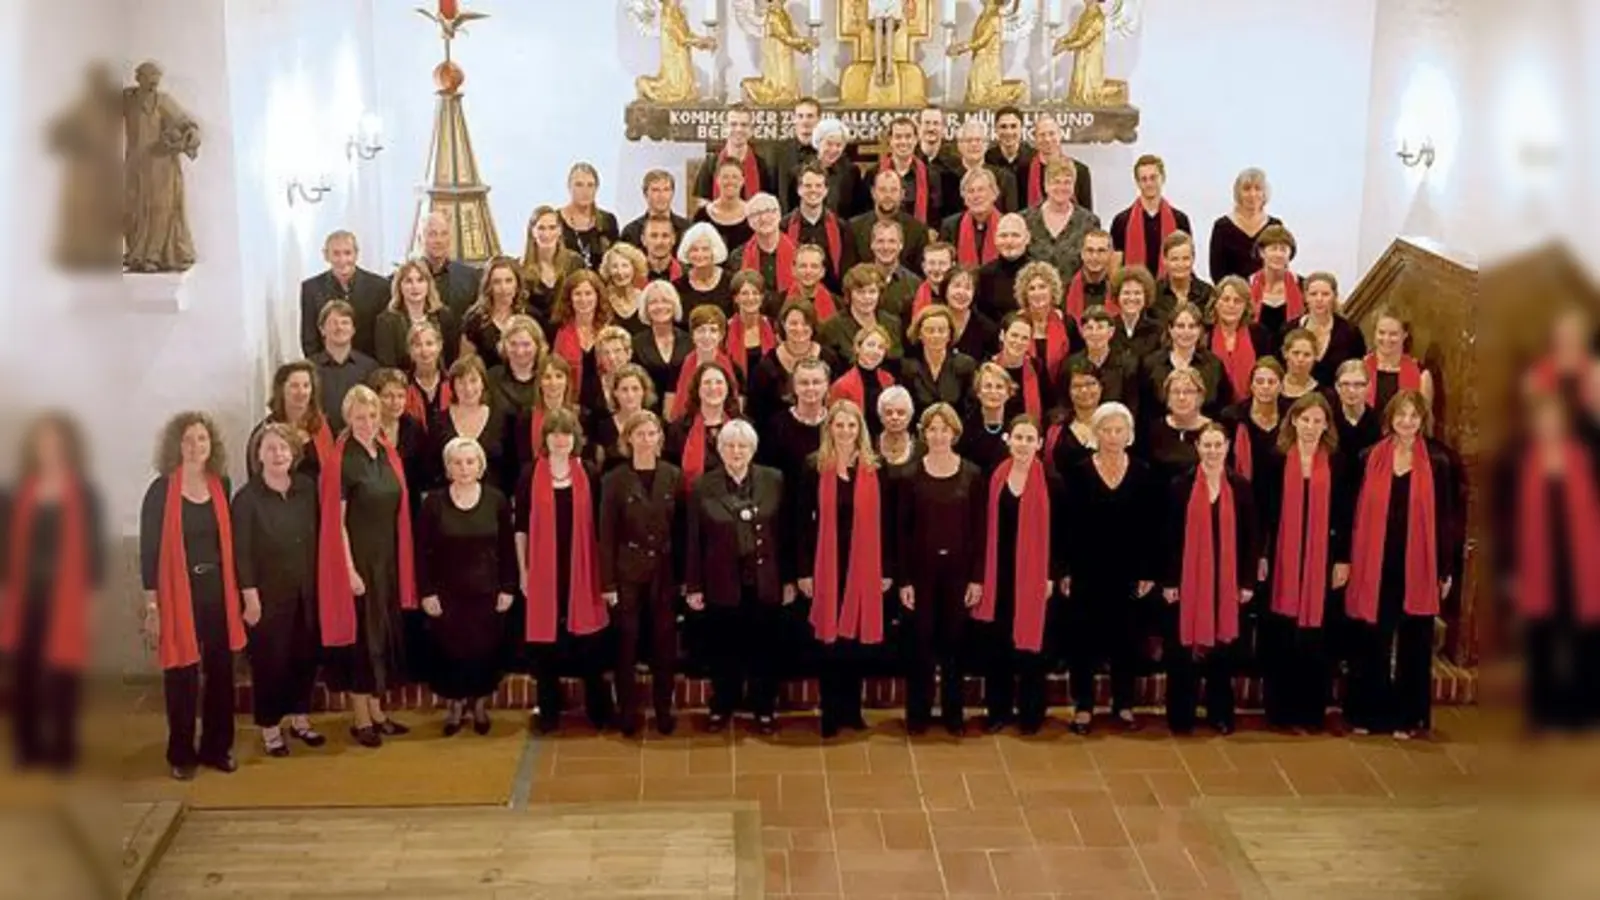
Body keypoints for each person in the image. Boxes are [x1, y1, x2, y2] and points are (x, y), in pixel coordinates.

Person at [1344, 391, 1457, 738]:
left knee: (1414, 641)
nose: (1407, 422)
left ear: (1423, 421)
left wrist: (1445, 568)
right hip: (1374, 561)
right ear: (1390, 418)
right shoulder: (1368, 457)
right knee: (1372, 638)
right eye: (1401, 415)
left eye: (1414, 416)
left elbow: (1448, 519)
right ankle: (1368, 714)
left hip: (1417, 563)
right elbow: (1351, 513)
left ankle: (1408, 717)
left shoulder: (1438, 462)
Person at [139, 412, 246, 779]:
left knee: (221, 672)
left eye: (202, 439)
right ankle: (181, 754)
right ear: (176, 445)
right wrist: (152, 605)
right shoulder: (160, 490)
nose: (195, 446)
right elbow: (150, 550)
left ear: (211, 445)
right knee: (181, 674)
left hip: (218, 592)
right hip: (177, 594)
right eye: (188, 439)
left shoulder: (221, 484)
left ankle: (218, 747)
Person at [2, 414, 105, 771]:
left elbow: (93, 552)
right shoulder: (16, 494)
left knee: (65, 673)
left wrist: (92, 602)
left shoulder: (85, 495)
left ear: (67, 446)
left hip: (69, 599)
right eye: (42, 441)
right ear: (33, 447)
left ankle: (63, 746)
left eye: (55, 441)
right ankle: (27, 746)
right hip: (25, 598)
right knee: (25, 672)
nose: (49, 448)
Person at [317, 386, 417, 747]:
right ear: (348, 418)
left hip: (387, 560)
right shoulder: (340, 460)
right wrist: (349, 570)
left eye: (373, 415)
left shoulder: (387, 452)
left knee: (381, 638)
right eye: (360, 416)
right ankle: (360, 719)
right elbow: (336, 522)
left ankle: (377, 713)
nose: (368, 422)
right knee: (362, 641)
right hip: (358, 561)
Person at [1497, 395, 1600, 730]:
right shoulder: (1520, 463)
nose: (1549, 426)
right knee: (1539, 637)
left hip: (1579, 563)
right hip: (1536, 564)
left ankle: (1579, 709)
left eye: (1555, 419)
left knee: (1581, 637)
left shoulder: (1584, 459)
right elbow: (1507, 521)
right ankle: (1542, 710)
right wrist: (1509, 570)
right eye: (1543, 419)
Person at [685, 420, 789, 732]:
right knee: (723, 648)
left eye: (742, 446)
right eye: (729, 446)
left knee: (765, 648)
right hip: (721, 580)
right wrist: (694, 585)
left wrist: (788, 580)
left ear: (753, 450)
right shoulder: (703, 486)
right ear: (720, 450)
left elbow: (784, 534)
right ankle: (723, 704)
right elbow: (694, 540)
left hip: (765, 579)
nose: (736, 452)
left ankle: (764, 707)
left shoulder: (774, 479)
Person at [1061, 402, 1158, 734]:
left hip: (1129, 570)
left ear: (1129, 434)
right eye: (1107, 430)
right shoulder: (1078, 472)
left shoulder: (1144, 472)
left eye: (1119, 430)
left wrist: (1148, 570)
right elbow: (1067, 526)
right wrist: (1066, 570)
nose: (1113, 436)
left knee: (1126, 638)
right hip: (1087, 569)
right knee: (1083, 640)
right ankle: (1084, 706)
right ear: (1096, 433)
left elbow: (1152, 527)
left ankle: (1124, 704)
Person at [796, 400, 890, 737]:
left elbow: (887, 524)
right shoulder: (814, 466)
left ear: (860, 429)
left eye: (852, 425)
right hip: (827, 562)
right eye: (839, 425)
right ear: (830, 428)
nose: (846, 431)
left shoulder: (876, 467)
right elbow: (801, 523)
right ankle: (831, 712)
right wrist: (803, 571)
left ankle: (852, 710)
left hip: (863, 563)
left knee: (855, 641)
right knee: (829, 641)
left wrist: (886, 570)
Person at [515, 409, 612, 733]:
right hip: (543, 569)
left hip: (582, 566)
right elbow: (520, 527)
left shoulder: (590, 473)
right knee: (546, 643)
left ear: (575, 438)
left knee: (589, 640)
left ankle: (598, 708)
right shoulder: (530, 474)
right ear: (545, 438)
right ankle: (549, 710)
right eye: (554, 433)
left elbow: (600, 527)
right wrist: (523, 570)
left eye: (566, 433)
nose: (560, 440)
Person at [1259, 393, 1351, 733]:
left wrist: (1343, 559)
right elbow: (1263, 512)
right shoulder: (1275, 458)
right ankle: (1280, 711)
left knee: (1316, 636)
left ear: (1327, 425)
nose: (1310, 427)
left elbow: (1346, 514)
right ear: (1293, 420)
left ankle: (1311, 711)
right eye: (1305, 419)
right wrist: (1262, 555)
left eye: (1317, 421)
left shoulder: (1338, 462)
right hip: (1282, 557)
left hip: (1322, 558)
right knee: (1282, 633)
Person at [232, 423, 323, 759]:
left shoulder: (306, 488)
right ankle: (270, 728)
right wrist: (250, 597)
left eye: (283, 447)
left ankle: (300, 719)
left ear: (294, 453)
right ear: (258, 454)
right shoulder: (246, 498)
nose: (278, 454)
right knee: (271, 663)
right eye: (270, 448)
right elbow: (241, 553)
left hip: (306, 591)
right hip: (267, 596)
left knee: (304, 656)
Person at [1160, 422, 1257, 734]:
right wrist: (1170, 581)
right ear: (1197, 447)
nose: (1213, 451)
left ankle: (1220, 713)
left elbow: (1251, 538)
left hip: (1226, 580)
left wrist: (1247, 582)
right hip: (1188, 580)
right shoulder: (1179, 485)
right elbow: (1169, 538)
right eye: (1207, 445)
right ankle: (1181, 715)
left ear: (1227, 447)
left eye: (1218, 445)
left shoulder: (1240, 487)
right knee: (1182, 651)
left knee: (1222, 652)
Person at [894, 403, 984, 733]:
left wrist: (977, 578)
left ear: (954, 433)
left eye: (944, 429)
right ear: (924, 433)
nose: (938, 435)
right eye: (932, 429)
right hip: (921, 573)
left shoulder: (972, 474)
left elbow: (980, 531)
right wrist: (904, 580)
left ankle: (953, 714)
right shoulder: (909, 475)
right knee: (920, 644)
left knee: (954, 645)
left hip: (959, 573)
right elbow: (901, 533)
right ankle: (918, 714)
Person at [417, 436, 517, 737]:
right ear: (448, 468)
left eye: (470, 462)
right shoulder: (433, 503)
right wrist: (426, 592)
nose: (464, 468)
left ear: (480, 466)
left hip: (487, 593)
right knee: (451, 653)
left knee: (485, 653)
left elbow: (507, 548)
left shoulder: (497, 500)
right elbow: (421, 552)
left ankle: (480, 707)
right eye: (457, 463)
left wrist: (508, 587)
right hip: (447, 595)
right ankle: (455, 707)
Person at [969, 414, 1062, 734]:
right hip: (999, 572)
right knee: (998, 645)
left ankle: (1031, 713)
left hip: (1035, 575)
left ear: (1039, 443)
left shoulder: (1053, 482)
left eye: (1029, 438)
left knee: (1032, 648)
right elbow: (981, 528)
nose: (1023, 444)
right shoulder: (993, 477)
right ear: (1008, 440)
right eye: (1018, 437)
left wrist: (1051, 575)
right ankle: (998, 711)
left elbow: (1062, 535)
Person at [599, 411, 684, 737]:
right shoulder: (614, 480)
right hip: (627, 571)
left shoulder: (673, 476)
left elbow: (681, 530)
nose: (646, 440)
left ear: (660, 438)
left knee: (664, 642)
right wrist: (607, 583)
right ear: (628, 439)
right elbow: (606, 534)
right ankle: (627, 712)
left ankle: (663, 709)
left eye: (652, 434)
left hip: (664, 570)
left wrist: (682, 579)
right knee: (626, 642)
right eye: (640, 434)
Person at [748, 301, 841, 427]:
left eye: (805, 323)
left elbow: (837, 403)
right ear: (783, 324)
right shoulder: (766, 366)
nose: (799, 328)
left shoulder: (830, 359)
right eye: (793, 323)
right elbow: (756, 412)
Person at [299, 230, 389, 359]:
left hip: (370, 364)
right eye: (336, 254)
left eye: (347, 253)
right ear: (326, 255)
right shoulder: (311, 288)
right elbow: (309, 337)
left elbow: (383, 336)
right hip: (326, 365)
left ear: (356, 254)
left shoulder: (380, 286)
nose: (342, 260)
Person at [433, 355, 513, 496]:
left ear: (483, 383)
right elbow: (432, 468)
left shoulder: (502, 419)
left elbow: (510, 467)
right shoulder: (438, 421)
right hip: (449, 500)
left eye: (473, 380)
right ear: (453, 386)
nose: (468, 388)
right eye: (461, 382)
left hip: (494, 501)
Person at [1141, 302, 1231, 425]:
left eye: (1192, 326)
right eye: (1180, 326)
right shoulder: (1151, 364)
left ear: (1200, 330)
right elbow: (1145, 410)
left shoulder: (1214, 364)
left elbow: (1222, 407)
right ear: (1170, 329)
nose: (1186, 332)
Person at [1110, 154, 1192, 276]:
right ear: (1137, 183)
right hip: (1133, 286)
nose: (1149, 183)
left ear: (1163, 178)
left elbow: (1186, 261)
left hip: (1170, 286)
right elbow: (1115, 267)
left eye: (1153, 178)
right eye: (1144, 179)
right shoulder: (1121, 221)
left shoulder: (1180, 219)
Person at [255, 360, 337, 479]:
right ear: (281, 390)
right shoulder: (265, 431)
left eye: (306, 386)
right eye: (294, 386)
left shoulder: (324, 427)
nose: (301, 392)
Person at [668, 362, 743, 488]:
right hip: (693, 497)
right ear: (697, 389)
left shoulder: (742, 426)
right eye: (707, 383)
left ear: (728, 388)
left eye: (719, 382)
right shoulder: (678, 429)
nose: (713, 388)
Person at [1023, 162, 1100, 285]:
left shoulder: (1089, 222)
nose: (1061, 187)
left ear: (1073, 186)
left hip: (1075, 293)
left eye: (1067, 182)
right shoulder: (1025, 219)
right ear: (1046, 185)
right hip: (1035, 293)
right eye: (1056, 182)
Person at [374, 259, 459, 370]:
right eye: (408, 281)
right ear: (399, 286)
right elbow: (387, 366)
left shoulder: (443, 316)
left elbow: (451, 359)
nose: (415, 286)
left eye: (420, 280)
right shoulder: (387, 321)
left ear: (428, 284)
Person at [549, 270, 612, 414]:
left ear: (598, 296)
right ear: (569, 298)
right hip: (571, 408)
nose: (583, 299)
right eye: (577, 294)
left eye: (588, 293)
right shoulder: (557, 330)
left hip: (607, 405)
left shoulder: (610, 329)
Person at [310, 300, 378, 433]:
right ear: (322, 330)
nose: (339, 327)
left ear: (353, 330)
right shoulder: (309, 369)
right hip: (319, 437)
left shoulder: (370, 367)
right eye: (333, 323)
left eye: (345, 322)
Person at [783, 163, 852, 291]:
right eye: (808, 186)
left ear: (826, 190)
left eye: (818, 186)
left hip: (832, 295)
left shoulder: (841, 227)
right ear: (799, 189)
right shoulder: (784, 227)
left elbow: (846, 269)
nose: (813, 190)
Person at [1290, 272, 1366, 387]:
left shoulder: (1350, 332)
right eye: (1313, 294)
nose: (1319, 299)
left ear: (1334, 296)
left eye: (1325, 294)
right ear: (1305, 297)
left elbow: (1357, 370)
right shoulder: (1289, 329)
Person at [1142, 367, 1214, 486]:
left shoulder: (1213, 431)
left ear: (1200, 396)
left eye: (1188, 392)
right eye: (1175, 392)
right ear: (1167, 397)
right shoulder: (1154, 430)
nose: (1181, 397)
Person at [820, 264, 905, 365]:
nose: (867, 297)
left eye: (872, 292)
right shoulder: (833, 327)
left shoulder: (893, 323)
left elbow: (897, 359)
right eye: (860, 292)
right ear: (849, 294)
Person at [1208, 168, 1281, 284]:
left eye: (1258, 189)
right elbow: (1217, 273)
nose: (1252, 194)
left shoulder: (1275, 226)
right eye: (1247, 189)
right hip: (1232, 293)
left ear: (1264, 193)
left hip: (1268, 292)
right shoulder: (1222, 227)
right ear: (1238, 193)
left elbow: (1280, 267)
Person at [667, 305, 739, 421]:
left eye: (713, 330)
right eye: (701, 330)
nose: (707, 336)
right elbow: (671, 412)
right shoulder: (678, 366)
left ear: (721, 335)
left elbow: (735, 410)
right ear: (692, 335)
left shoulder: (734, 368)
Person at [848, 168, 929, 271]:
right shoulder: (853, 228)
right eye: (882, 190)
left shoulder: (918, 230)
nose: (888, 195)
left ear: (902, 194)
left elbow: (920, 273)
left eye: (893, 190)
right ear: (873, 193)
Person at [632, 280, 693, 414]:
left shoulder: (690, 342)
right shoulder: (635, 344)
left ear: (674, 305)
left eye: (665, 301)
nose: (660, 306)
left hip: (684, 413)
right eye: (653, 302)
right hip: (646, 415)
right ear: (646, 308)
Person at [902, 305, 975, 412]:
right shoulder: (907, 367)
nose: (936, 336)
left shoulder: (965, 364)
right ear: (919, 334)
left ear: (949, 335)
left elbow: (970, 406)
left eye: (941, 330)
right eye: (930, 330)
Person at [1208, 276, 1268, 405]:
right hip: (1212, 408)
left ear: (1246, 306)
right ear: (1216, 303)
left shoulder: (1259, 334)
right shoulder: (1204, 334)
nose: (1231, 305)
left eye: (1237, 301)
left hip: (1251, 407)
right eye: (1226, 299)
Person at [1221, 357, 1284, 482]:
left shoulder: (1290, 416)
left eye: (1271, 382)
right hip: (1242, 487)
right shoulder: (1232, 417)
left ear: (1281, 386)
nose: (1265, 387)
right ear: (1252, 386)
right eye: (1260, 382)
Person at [521, 206, 584, 326]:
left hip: (569, 329)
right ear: (532, 232)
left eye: (552, 227)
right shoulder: (520, 268)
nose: (547, 234)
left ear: (560, 231)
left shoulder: (575, 263)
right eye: (541, 228)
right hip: (533, 333)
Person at [829, 325, 897, 436]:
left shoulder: (889, 380)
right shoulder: (842, 385)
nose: (875, 351)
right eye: (871, 345)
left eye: (881, 347)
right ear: (858, 348)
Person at [589, 364, 657, 475]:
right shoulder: (603, 428)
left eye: (635, 389)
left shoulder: (656, 424)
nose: (630, 395)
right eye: (624, 390)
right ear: (615, 393)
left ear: (644, 391)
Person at [693, 103, 770, 201]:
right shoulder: (710, 164)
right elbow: (702, 202)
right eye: (733, 124)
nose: (739, 129)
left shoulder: (762, 166)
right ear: (725, 128)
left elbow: (769, 203)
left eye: (744, 125)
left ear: (751, 130)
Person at [1018, 112, 1094, 211]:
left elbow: (1088, 214)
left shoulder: (1080, 171)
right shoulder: (1023, 171)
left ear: (1060, 135)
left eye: (1051, 133)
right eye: (1042, 135)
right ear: (1035, 139)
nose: (1047, 139)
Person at [732, 193, 799, 305]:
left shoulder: (799, 252)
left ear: (779, 214)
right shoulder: (738, 257)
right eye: (756, 214)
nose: (763, 218)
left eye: (768, 211)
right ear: (749, 221)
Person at [1365, 307, 1435, 413]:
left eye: (1393, 334)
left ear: (1405, 334)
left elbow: (1424, 419)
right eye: (1381, 333)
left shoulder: (1422, 376)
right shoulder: (1360, 368)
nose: (1386, 339)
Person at [877, 116, 940, 226]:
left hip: (919, 233)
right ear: (890, 140)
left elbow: (935, 215)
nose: (903, 142)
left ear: (916, 140)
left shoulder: (930, 175)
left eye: (908, 137)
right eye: (898, 137)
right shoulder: (875, 173)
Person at [419, 211, 482, 319]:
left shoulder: (471, 277)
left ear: (450, 238)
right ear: (420, 239)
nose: (439, 240)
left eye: (444, 234)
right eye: (432, 234)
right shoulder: (404, 279)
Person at [938, 167, 1002, 269]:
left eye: (981, 190)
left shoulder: (1007, 224)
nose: (976, 196)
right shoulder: (950, 226)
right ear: (964, 198)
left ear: (994, 194)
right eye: (971, 191)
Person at [559, 162, 620, 269]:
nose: (585, 191)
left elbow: (616, 258)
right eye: (579, 185)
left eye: (590, 185)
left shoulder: (608, 221)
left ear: (596, 188)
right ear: (569, 187)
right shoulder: (556, 220)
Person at [1249, 224, 1304, 341]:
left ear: (1290, 254)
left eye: (1283, 249)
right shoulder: (1246, 285)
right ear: (1262, 252)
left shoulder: (1303, 286)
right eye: (1273, 248)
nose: (1279, 254)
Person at [974, 213, 1033, 322]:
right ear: (995, 239)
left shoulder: (1039, 272)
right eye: (1003, 236)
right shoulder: (984, 275)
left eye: (1015, 235)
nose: (1009, 241)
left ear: (1027, 238)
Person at [952, 118, 1019, 213]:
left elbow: (1011, 217)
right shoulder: (948, 179)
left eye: (978, 140)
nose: (974, 144)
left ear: (986, 144)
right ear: (959, 145)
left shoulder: (1005, 178)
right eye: (968, 140)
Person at [1047, 361, 1104, 472]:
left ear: (1101, 387)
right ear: (1068, 391)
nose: (1084, 390)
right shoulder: (1057, 429)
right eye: (1077, 386)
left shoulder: (1117, 423)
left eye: (1090, 384)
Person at [486, 315, 546, 419]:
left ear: (538, 346)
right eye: (513, 344)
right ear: (504, 345)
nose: (520, 351)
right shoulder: (491, 378)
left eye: (526, 344)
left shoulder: (548, 377)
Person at [862, 218, 924, 319]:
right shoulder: (858, 279)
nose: (886, 247)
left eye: (892, 241)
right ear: (872, 244)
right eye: (880, 241)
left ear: (901, 245)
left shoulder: (915, 284)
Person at [959, 362, 1015, 472]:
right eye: (988, 386)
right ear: (978, 392)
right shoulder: (964, 427)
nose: (993, 392)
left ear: (1008, 393)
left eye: (999, 387)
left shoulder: (1016, 426)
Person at [771, 96, 821, 213]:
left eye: (810, 116)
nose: (805, 121)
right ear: (794, 119)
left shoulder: (826, 153)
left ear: (819, 119)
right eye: (800, 116)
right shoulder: (779, 153)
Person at [674, 222, 736, 317]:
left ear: (714, 251)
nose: (700, 254)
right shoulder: (678, 287)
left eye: (705, 249)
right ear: (687, 253)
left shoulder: (731, 282)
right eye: (694, 249)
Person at [620, 169, 692, 250]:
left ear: (672, 193)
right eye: (655, 190)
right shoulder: (631, 232)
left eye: (666, 190)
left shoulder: (688, 229)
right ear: (645, 193)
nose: (661, 195)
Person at [694, 158, 755, 251]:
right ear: (717, 180)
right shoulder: (702, 215)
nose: (730, 181)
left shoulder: (753, 214)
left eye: (735, 177)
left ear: (742, 181)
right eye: (725, 177)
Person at [727, 271, 778, 382]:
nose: (750, 298)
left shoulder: (774, 327)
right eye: (744, 293)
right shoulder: (725, 330)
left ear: (762, 297)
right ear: (736, 298)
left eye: (755, 293)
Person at [1153, 231, 1213, 324]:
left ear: (1193, 259)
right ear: (1164, 260)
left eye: (1185, 258)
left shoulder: (1207, 293)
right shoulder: (1153, 294)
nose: (1180, 264)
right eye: (1174, 259)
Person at [1332, 359, 1383, 466]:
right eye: (1345, 384)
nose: (1351, 390)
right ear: (1337, 387)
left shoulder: (1379, 422)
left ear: (1369, 387)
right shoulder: (1327, 420)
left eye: (1358, 384)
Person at [809, 117, 864, 216]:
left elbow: (858, 209)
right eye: (829, 144)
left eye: (838, 145)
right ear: (818, 142)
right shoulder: (802, 170)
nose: (833, 150)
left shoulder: (851, 172)